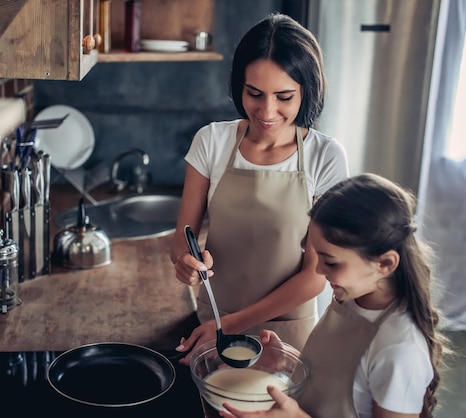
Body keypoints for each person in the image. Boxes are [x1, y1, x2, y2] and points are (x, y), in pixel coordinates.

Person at [171, 12, 349, 362]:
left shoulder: (325, 156)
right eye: (255, 93)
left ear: (306, 91)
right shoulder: (211, 141)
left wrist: (234, 324)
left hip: (286, 329)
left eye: (284, 97)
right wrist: (185, 262)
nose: (266, 111)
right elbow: (183, 237)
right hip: (213, 321)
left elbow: (316, 275)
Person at [219, 173, 448, 418]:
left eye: (331, 262)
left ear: (385, 263)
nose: (318, 270)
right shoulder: (350, 298)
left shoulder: (399, 350)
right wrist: (290, 362)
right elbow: (343, 379)